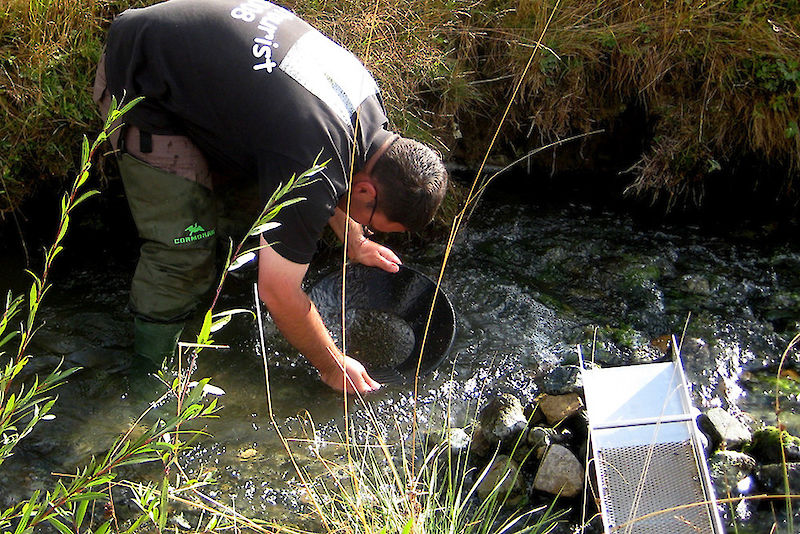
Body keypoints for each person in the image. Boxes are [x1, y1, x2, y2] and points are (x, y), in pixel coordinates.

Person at [93, 0, 448, 394]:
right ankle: (144, 378)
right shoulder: (312, 154)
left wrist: (354, 239)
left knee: (257, 218)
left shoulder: (370, 113)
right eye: (368, 222)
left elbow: (331, 171)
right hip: (138, 74)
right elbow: (277, 293)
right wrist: (332, 364)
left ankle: (203, 289)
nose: (362, 224)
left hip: (190, 44)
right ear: (367, 190)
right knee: (184, 250)